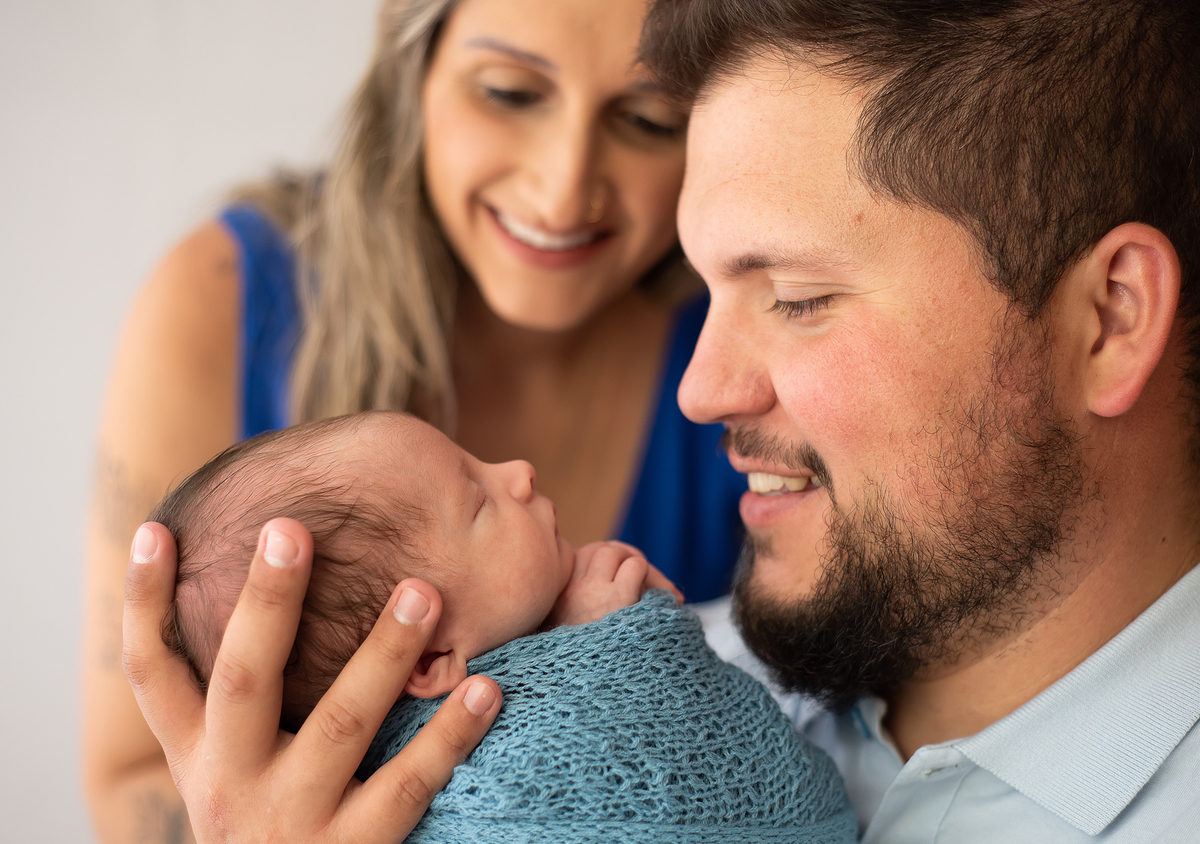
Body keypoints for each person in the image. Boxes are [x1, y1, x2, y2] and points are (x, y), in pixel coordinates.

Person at [120, 0, 1200, 842]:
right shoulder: (670, 662)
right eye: (707, 291)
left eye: (796, 297)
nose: (697, 390)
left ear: (1107, 319)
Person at [84, 0, 744, 840]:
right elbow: (131, 776)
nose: (563, 186)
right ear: (413, 69)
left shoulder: (743, 342)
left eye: (650, 119)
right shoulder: (229, 303)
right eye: (508, 92)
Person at [152, 410, 857, 843]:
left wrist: (580, 637)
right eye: (479, 501)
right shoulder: (446, 791)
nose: (517, 472)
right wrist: (615, 645)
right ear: (427, 661)